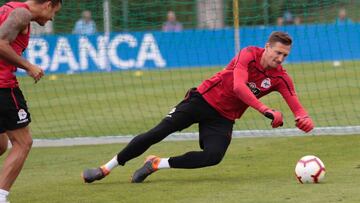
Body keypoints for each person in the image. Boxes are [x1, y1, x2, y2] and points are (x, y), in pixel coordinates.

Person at [82, 31, 314, 184]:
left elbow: (297, 107)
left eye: (285, 55)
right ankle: (105, 168)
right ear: (267, 47)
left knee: (213, 156)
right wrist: (266, 110)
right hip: (202, 99)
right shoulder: (248, 54)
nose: (281, 58)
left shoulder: (281, 78)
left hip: (223, 116)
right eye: (278, 52)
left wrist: (304, 120)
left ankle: (156, 163)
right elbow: (239, 88)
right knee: (158, 132)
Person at [0, 0, 62, 202]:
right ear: (48, 4)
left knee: (1, 145)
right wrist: (29, 66)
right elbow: (0, 43)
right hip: (2, 86)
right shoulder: (22, 14)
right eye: (54, 11)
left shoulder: (8, 8)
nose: (52, 17)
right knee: (23, 142)